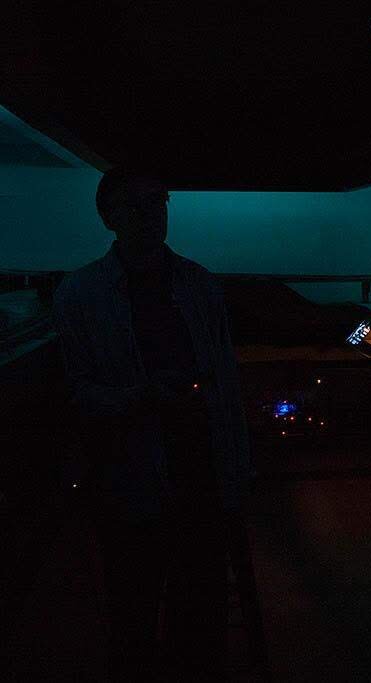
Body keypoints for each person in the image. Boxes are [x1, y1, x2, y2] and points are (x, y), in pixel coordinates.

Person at [51, 167, 254, 681]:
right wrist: (142, 398)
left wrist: (234, 467)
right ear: (109, 217)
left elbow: (225, 386)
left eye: (156, 203)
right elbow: (81, 392)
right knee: (142, 615)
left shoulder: (188, 285)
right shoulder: (89, 294)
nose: (150, 215)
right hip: (134, 481)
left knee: (186, 615)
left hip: (182, 475)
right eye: (137, 206)